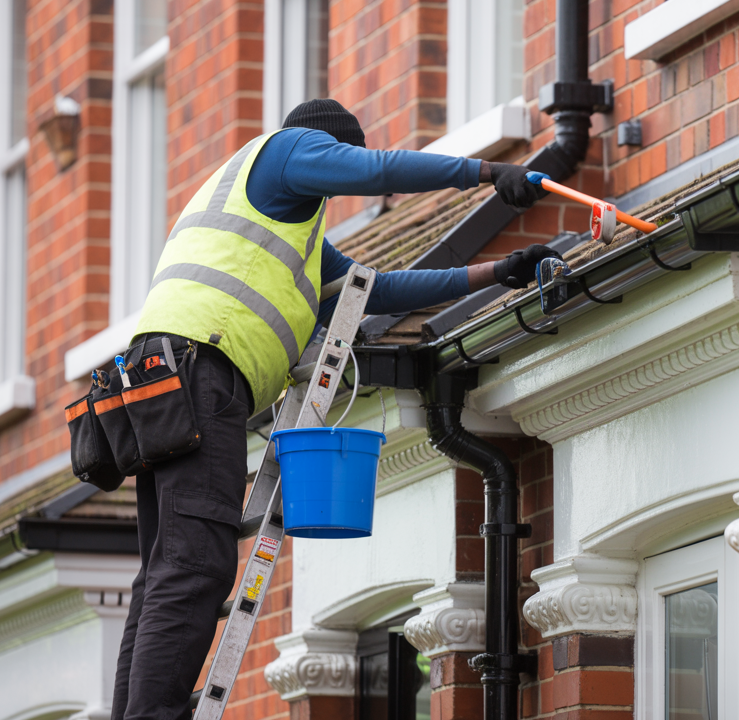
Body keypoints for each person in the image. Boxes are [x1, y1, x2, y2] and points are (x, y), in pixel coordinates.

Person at [111, 99, 560, 720]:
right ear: (322, 149)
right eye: (336, 159)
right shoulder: (283, 153)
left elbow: (376, 290)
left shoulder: (284, 231)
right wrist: (485, 174)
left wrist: (497, 272)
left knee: (165, 569)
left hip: (158, 381)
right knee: (195, 564)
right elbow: (375, 170)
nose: (336, 177)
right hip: (199, 370)